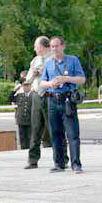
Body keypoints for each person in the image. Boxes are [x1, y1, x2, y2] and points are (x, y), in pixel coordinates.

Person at [40, 36, 86, 174]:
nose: (54, 49)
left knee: (72, 133)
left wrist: (66, 79)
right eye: (52, 47)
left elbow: (82, 79)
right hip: (53, 99)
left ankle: (76, 164)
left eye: (56, 46)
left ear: (63, 46)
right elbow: (42, 82)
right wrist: (50, 83)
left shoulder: (73, 60)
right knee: (55, 133)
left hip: (67, 100)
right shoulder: (49, 63)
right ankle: (59, 164)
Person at [24, 36, 59, 169]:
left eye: (36, 46)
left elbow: (57, 77)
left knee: (54, 127)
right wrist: (33, 74)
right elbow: (27, 80)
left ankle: (61, 159)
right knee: (36, 128)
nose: (34, 49)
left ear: (43, 47)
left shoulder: (54, 59)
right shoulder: (35, 60)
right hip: (37, 95)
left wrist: (44, 72)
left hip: (50, 95)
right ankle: (32, 160)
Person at [12, 79, 34, 149]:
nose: (26, 87)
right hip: (21, 120)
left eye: (27, 85)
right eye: (24, 86)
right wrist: (14, 90)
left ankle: (30, 150)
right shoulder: (19, 95)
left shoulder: (34, 95)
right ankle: (23, 149)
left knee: (30, 137)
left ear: (30, 86)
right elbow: (11, 98)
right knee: (22, 137)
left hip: (30, 119)